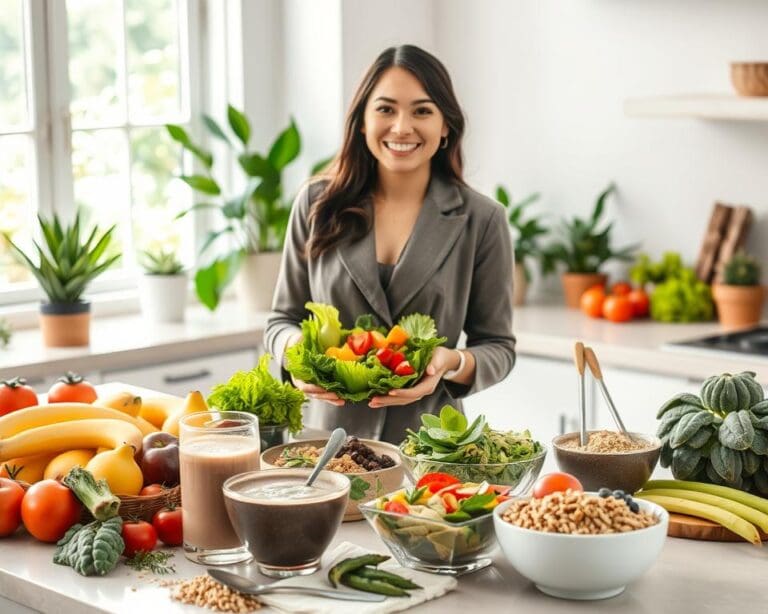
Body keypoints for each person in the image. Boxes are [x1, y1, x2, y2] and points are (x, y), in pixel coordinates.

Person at [265, 44, 515, 443]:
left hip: (431, 449)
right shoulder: (316, 204)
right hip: (325, 444)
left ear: (445, 125)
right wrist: (297, 353)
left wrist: (451, 361)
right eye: (385, 109)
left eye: (422, 110)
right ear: (362, 121)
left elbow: (498, 347)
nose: (401, 127)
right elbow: (281, 321)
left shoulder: (483, 220)